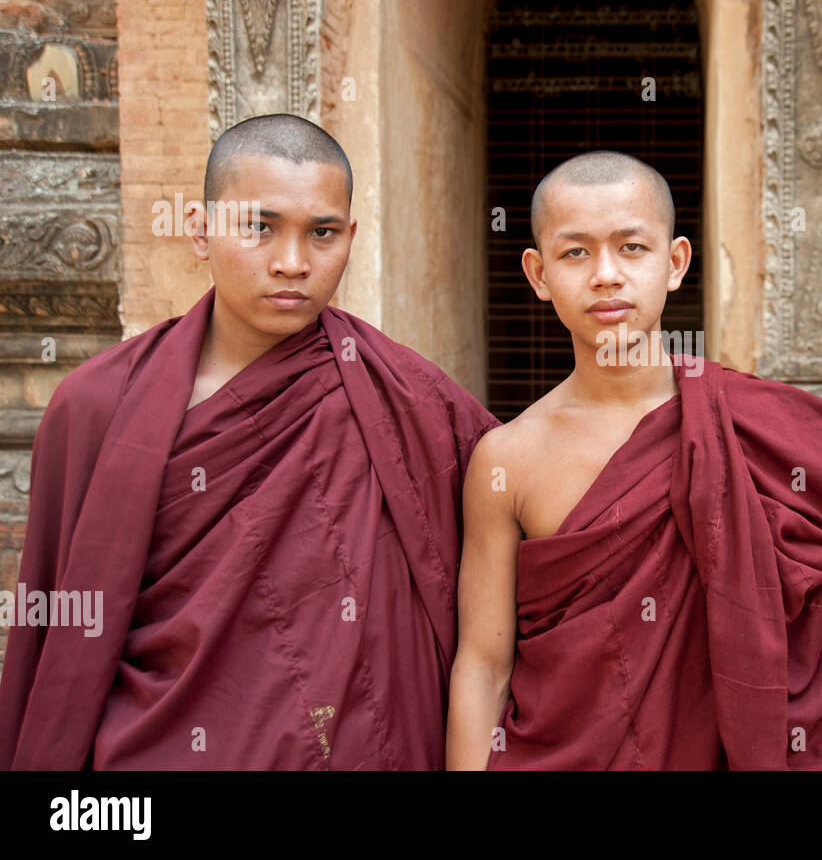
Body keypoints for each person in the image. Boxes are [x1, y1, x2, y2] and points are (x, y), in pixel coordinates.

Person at [0, 114, 498, 769]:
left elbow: (531, 550)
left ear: (350, 237)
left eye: (321, 234)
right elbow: (61, 632)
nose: (292, 263)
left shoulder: (410, 398)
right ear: (200, 232)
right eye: (258, 228)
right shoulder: (96, 407)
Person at [446, 151, 822, 770]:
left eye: (632, 248)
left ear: (675, 263)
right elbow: (484, 663)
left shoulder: (758, 430)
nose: (607, 275)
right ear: (537, 275)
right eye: (575, 253)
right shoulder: (509, 458)